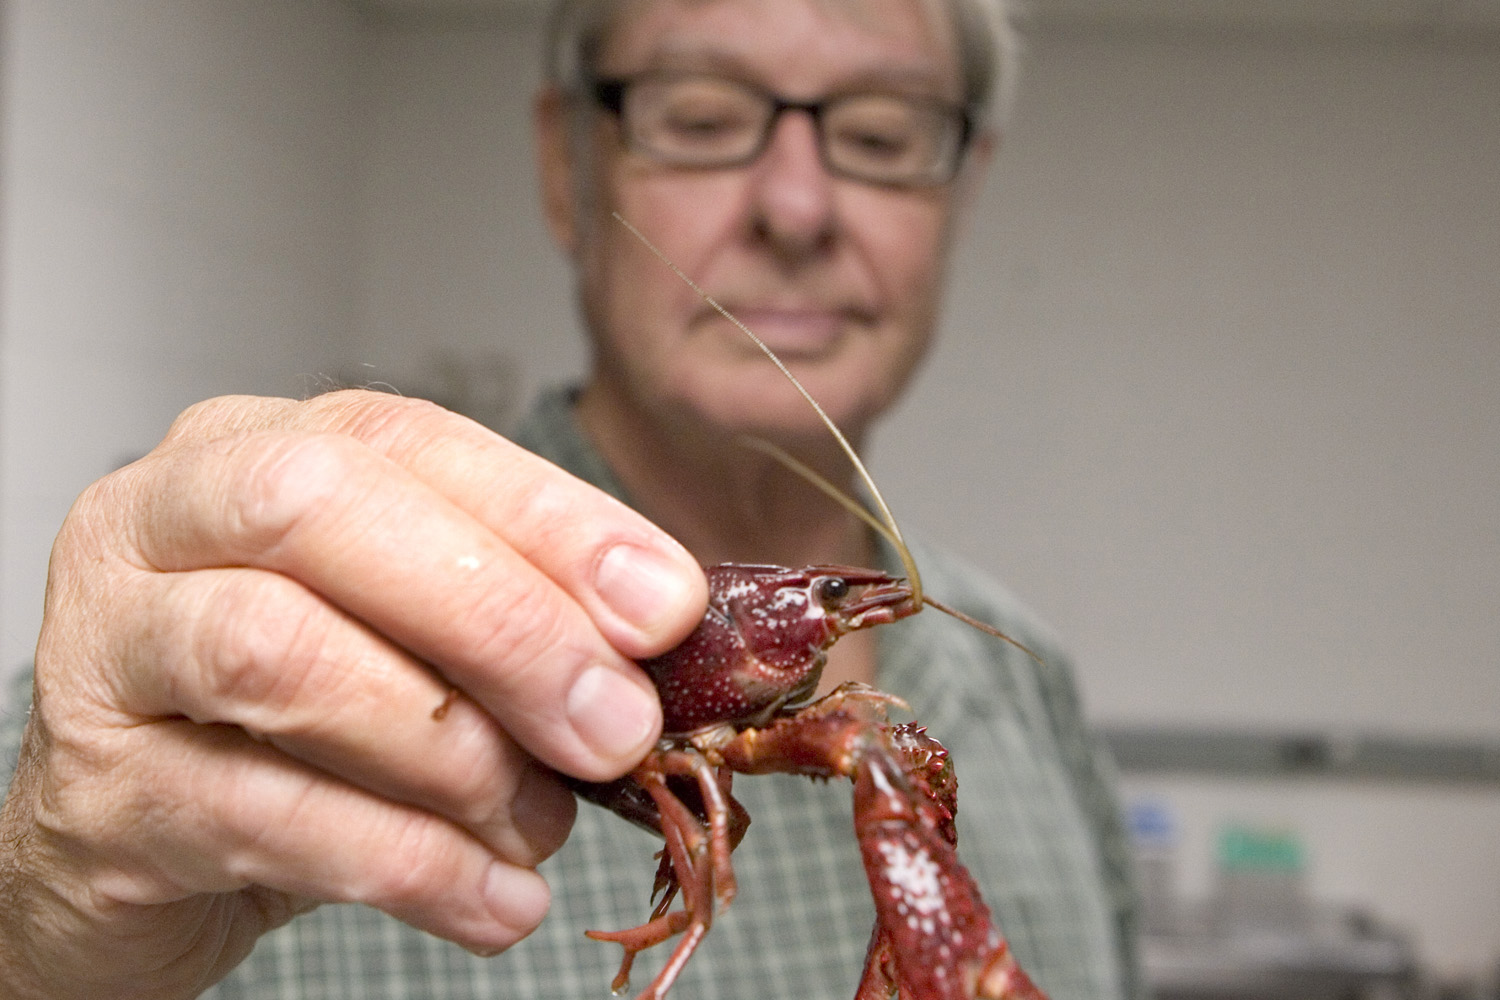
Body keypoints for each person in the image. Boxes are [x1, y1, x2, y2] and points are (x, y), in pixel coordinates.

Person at [0, 0, 1141, 998]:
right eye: (699, 117)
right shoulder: (228, 656)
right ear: (566, 165)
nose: (796, 207)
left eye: (884, 136)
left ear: (964, 192)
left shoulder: (1032, 689)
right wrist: (37, 939)